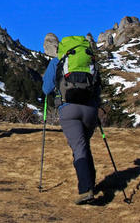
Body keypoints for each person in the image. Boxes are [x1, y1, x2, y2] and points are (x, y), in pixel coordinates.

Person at [42, 34, 102, 205]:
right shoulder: (89, 61)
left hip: (68, 109)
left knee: (79, 147)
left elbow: (46, 89)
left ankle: (85, 190)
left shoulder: (58, 61)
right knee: (84, 145)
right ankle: (91, 182)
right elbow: (98, 87)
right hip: (90, 109)